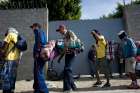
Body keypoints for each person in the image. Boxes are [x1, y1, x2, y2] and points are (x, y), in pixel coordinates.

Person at [56, 25, 77, 93]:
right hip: (67, 54)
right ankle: (73, 86)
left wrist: (69, 42)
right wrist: (60, 58)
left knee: (67, 69)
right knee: (67, 70)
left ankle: (68, 88)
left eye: (59, 30)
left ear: (63, 28)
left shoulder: (69, 32)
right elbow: (65, 49)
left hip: (72, 53)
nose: (59, 32)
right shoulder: (63, 37)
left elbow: (75, 39)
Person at [30, 23, 49, 93]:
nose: (32, 29)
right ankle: (37, 89)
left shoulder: (39, 32)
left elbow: (40, 43)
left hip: (39, 56)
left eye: (33, 27)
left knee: (38, 73)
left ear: (36, 27)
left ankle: (44, 90)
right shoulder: (41, 32)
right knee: (36, 72)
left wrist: (37, 53)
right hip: (41, 55)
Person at [1, 28, 21, 93]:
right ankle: (12, 89)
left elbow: (4, 46)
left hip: (9, 58)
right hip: (16, 59)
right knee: (13, 75)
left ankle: (7, 90)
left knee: (6, 75)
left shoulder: (10, 35)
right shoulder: (17, 36)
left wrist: (2, 54)